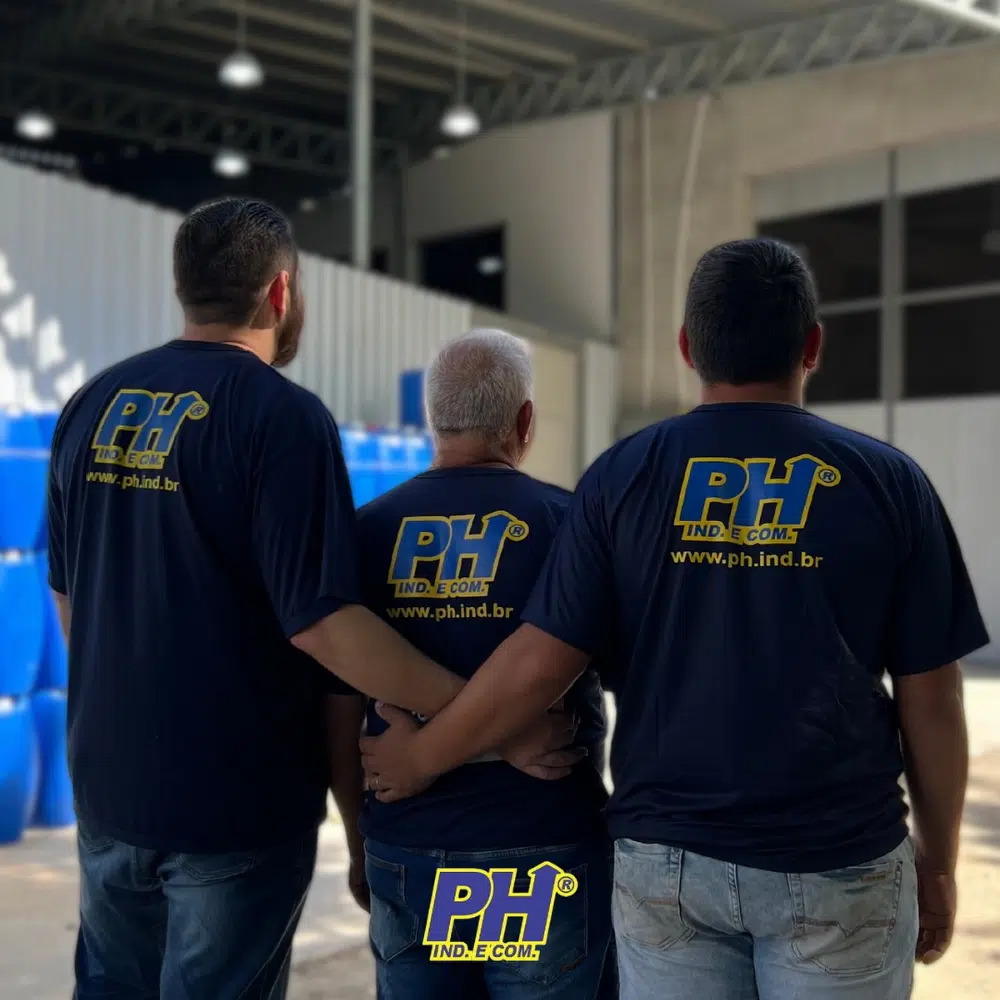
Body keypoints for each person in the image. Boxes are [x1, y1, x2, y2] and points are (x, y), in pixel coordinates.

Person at [359, 238, 988, 1000]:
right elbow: (934, 696)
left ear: (688, 348)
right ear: (812, 346)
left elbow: (538, 662)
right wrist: (939, 861)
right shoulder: (888, 482)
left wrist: (423, 757)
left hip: (668, 865)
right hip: (837, 859)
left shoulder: (623, 477)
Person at [47, 197, 577, 1000]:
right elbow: (326, 626)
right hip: (234, 802)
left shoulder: (91, 404)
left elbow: (70, 600)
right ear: (281, 292)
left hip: (108, 789)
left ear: (184, 286)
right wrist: (489, 722)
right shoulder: (279, 416)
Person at [333, 329, 615, 999]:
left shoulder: (364, 533)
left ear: (433, 417)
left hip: (409, 844)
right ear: (525, 420)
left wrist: (358, 839)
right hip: (543, 848)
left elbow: (337, 707)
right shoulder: (569, 525)